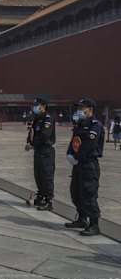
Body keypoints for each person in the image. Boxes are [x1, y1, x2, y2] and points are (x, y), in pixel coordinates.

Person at [65, 99, 104, 236]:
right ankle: (82, 219)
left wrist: (77, 157)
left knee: (89, 194)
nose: (79, 110)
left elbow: (88, 145)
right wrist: (69, 154)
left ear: (90, 109)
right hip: (78, 164)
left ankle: (94, 225)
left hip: (89, 164)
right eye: (79, 108)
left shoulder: (95, 125)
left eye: (82, 108)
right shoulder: (80, 124)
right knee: (75, 193)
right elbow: (74, 141)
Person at [25, 98, 56, 211]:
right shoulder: (37, 119)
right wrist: (29, 142)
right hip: (38, 151)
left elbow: (44, 135)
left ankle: (49, 201)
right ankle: (41, 196)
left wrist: (32, 144)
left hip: (46, 151)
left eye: (37, 105)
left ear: (43, 106)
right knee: (38, 175)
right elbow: (32, 132)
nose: (35, 107)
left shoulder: (48, 119)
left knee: (47, 176)